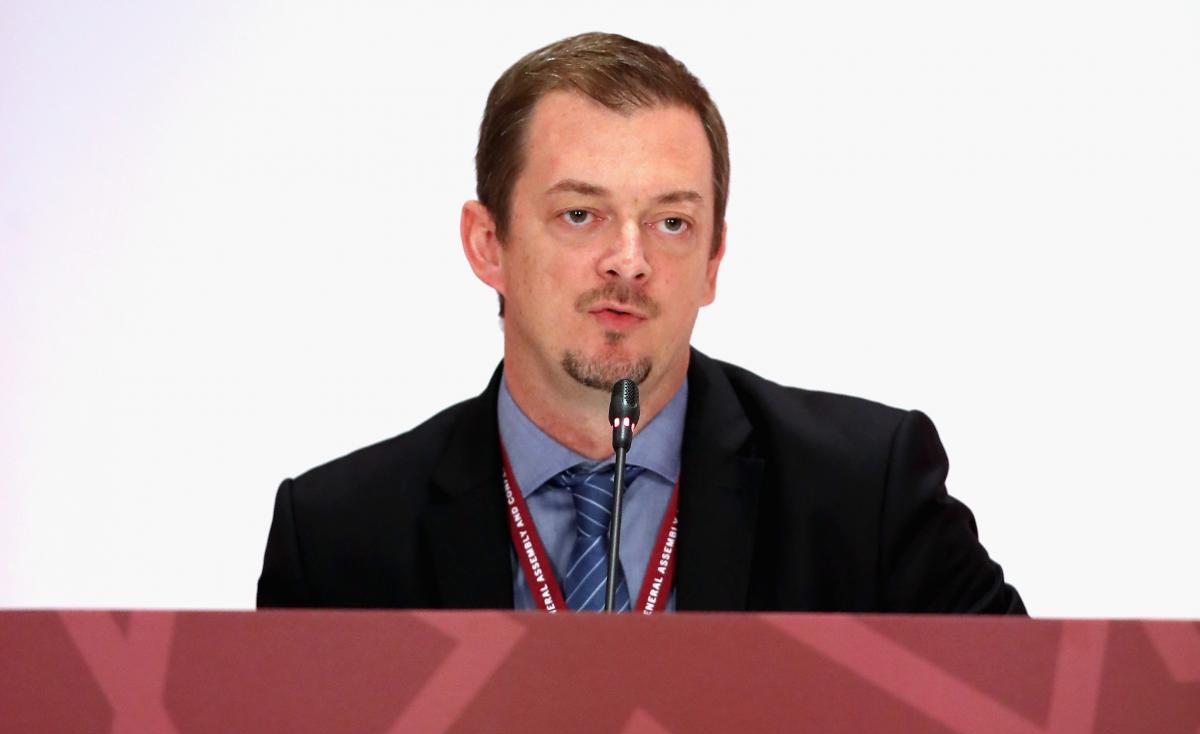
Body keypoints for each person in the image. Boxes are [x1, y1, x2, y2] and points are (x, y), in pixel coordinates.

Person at [257, 32, 1025, 614]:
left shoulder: (867, 495)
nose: (628, 261)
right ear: (487, 244)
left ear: (715, 259)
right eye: (581, 214)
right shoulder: (336, 539)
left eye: (670, 223)